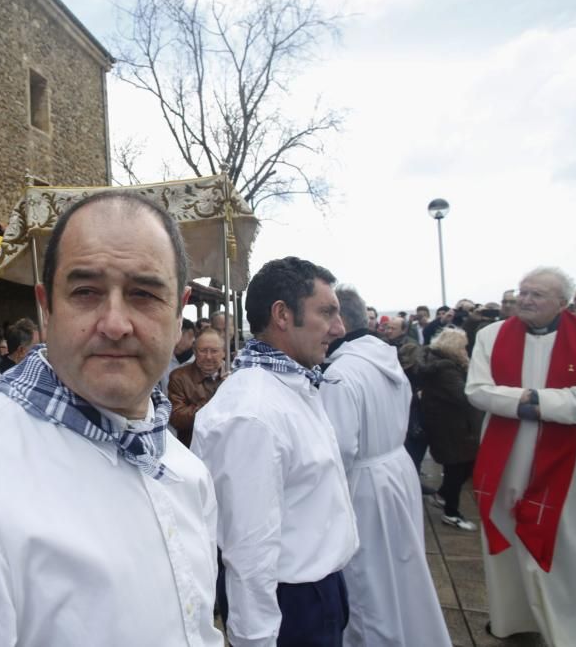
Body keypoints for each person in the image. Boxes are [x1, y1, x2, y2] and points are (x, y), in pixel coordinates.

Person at [0, 191, 224, 646]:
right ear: (46, 310)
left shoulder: (187, 473)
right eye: (85, 292)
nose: (115, 323)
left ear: (179, 307)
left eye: (144, 294)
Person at [193, 256, 357, 647]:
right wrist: (256, 639)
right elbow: (248, 552)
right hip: (292, 606)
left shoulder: (291, 387)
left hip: (321, 591)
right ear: (282, 315)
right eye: (327, 312)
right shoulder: (252, 413)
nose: (340, 328)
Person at [467, 267, 576, 645]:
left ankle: (574, 631)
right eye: (523, 292)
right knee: (507, 534)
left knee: (570, 543)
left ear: (563, 304)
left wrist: (531, 399)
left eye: (538, 295)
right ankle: (514, 618)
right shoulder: (491, 335)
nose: (526, 300)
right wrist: (543, 402)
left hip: (570, 459)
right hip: (506, 452)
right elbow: (478, 391)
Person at [320, 286, 450, 647]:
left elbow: (340, 449)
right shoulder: (383, 356)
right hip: (396, 470)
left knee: (369, 585)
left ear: (338, 321)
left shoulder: (340, 373)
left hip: (365, 486)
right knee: (402, 569)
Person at [417, 327, 482, 531]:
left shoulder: (436, 363)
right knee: (457, 469)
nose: (466, 350)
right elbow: (464, 396)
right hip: (453, 427)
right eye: (463, 346)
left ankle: (443, 495)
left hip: (446, 425)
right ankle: (451, 513)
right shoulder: (446, 369)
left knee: (458, 467)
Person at [168, 328, 225, 447]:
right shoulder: (180, 377)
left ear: (223, 352)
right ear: (194, 351)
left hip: (225, 446)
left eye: (214, 351)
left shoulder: (234, 376)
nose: (208, 357)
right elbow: (176, 418)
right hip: (193, 448)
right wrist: (215, 401)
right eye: (203, 351)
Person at [157, 317, 196, 392]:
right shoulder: (163, 360)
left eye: (179, 335)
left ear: (191, 335)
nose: (174, 340)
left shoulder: (200, 361)